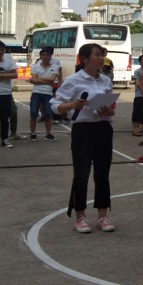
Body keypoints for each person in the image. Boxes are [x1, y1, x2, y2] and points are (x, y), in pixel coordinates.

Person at [50, 43, 116, 234]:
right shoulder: (73, 80)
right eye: (97, 54)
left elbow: (112, 108)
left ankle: (102, 216)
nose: (101, 58)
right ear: (85, 58)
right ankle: (80, 217)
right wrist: (72, 105)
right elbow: (55, 105)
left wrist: (108, 110)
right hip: (83, 130)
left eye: (102, 54)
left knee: (102, 174)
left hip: (103, 128)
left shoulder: (106, 80)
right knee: (81, 174)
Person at [29, 46, 60, 141]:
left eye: (47, 55)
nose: (45, 56)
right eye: (43, 55)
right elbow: (34, 80)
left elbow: (52, 79)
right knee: (33, 113)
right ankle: (33, 133)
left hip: (48, 93)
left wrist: (38, 79)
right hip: (36, 92)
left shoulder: (55, 67)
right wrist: (47, 81)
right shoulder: (35, 66)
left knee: (48, 114)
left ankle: (48, 134)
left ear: (51, 56)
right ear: (40, 56)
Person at [131, 54, 143, 136]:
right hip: (139, 95)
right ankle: (136, 129)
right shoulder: (138, 71)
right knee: (137, 113)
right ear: (140, 62)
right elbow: (138, 83)